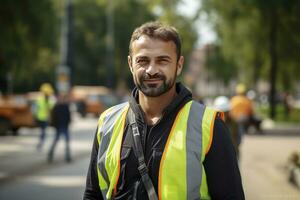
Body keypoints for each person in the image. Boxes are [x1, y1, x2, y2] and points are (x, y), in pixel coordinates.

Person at [84, 21, 244, 200]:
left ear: (179, 64)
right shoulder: (108, 121)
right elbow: (93, 194)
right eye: (143, 61)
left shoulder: (210, 126)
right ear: (130, 64)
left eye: (162, 60)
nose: (152, 70)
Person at [48, 93, 72, 163]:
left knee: (67, 142)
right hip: (58, 127)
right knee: (55, 141)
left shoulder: (66, 106)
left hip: (65, 126)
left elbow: (68, 116)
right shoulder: (56, 107)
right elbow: (53, 118)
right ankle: (50, 155)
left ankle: (68, 156)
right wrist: (55, 126)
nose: (61, 99)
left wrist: (68, 123)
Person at [35, 83, 55, 150]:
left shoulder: (40, 99)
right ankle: (41, 142)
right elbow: (51, 109)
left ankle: (41, 142)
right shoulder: (48, 100)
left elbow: (36, 109)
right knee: (43, 132)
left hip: (40, 118)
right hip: (44, 118)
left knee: (42, 131)